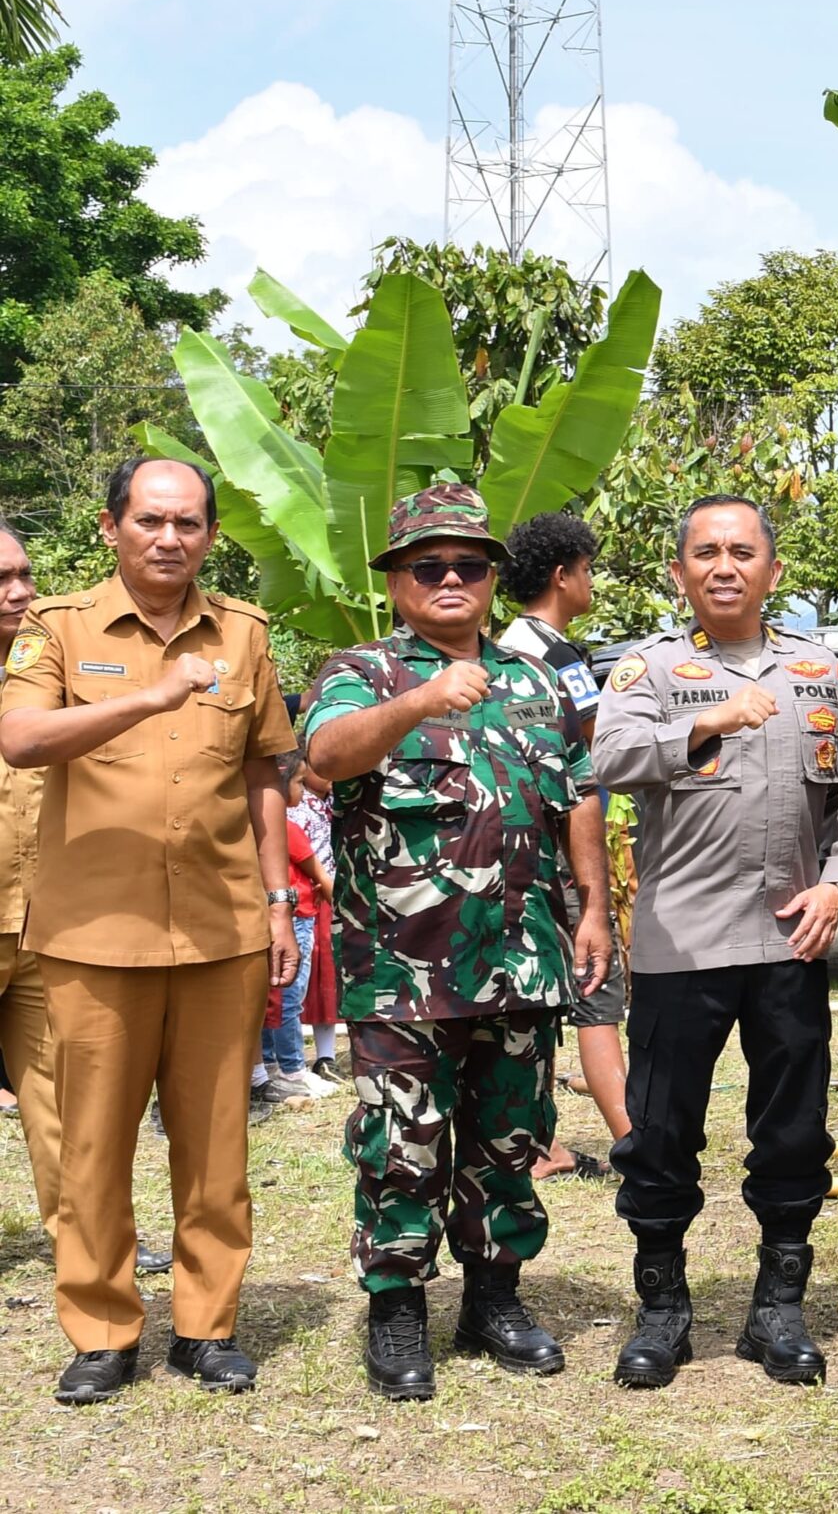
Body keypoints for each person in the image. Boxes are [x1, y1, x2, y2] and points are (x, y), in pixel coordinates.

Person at [0, 455, 301, 1403]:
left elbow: (265, 773)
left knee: (216, 1147)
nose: (169, 538)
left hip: (223, 932)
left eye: (188, 523)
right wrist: (151, 694)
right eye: (150, 520)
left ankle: (207, 1326)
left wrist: (279, 902)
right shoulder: (57, 628)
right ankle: (101, 1329)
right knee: (92, 1146)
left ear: (210, 534)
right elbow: (19, 738)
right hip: (93, 934)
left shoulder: (245, 635)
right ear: (110, 526)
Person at [300, 484, 610, 1403]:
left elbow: (576, 792)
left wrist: (592, 906)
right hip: (402, 968)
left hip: (522, 958)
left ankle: (494, 1297)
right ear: (397, 580)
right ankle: (396, 1307)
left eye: (468, 566)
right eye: (427, 566)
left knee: (510, 1137)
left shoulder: (539, 680)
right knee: (403, 1143)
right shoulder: (362, 671)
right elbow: (325, 758)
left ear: (490, 579)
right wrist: (426, 696)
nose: (449, 579)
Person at [590, 495, 838, 1390]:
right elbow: (611, 764)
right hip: (683, 941)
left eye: (742, 552)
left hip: (791, 939)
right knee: (662, 1130)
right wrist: (706, 722)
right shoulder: (650, 670)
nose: (724, 566)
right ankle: (663, 1308)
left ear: (772, 572)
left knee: (792, 1129)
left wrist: (837, 882)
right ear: (679, 573)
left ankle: (777, 1305)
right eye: (704, 552)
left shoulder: (821, 673)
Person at [495, 510, 627, 1181]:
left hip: (512, 854)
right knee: (597, 993)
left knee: (534, 1001)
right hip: (566, 855)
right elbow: (596, 743)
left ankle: (534, 1141)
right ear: (563, 574)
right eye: (589, 569)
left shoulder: (499, 649)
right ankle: (634, 1139)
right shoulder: (558, 655)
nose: (591, 582)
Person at [0, 518, 61, 1249]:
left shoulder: (58, 668)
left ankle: (88, 1238)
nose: (20, 592)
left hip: (46, 921)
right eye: (1, 580)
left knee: (64, 1099)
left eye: (24, 575)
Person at [255, 756, 336, 1101]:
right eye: (299, 783)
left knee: (275, 999)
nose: (302, 792)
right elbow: (319, 874)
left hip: (280, 919)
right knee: (291, 999)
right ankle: (293, 1070)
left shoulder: (265, 825)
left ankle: (273, 1065)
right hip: (297, 918)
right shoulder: (289, 829)